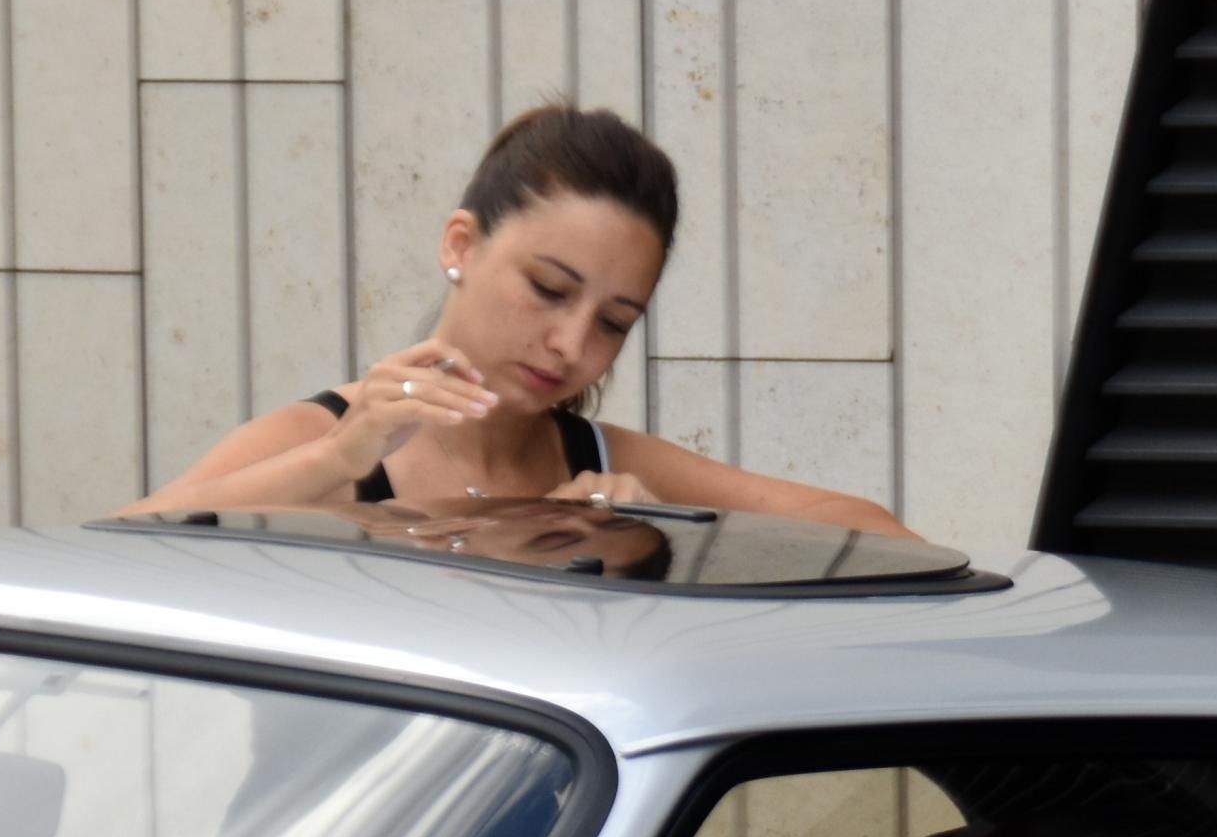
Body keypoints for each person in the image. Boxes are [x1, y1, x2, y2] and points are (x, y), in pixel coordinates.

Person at [136, 103, 919, 541]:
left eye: (614, 323)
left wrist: (666, 531)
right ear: (461, 245)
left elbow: (872, 531)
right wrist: (337, 459)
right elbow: (113, 553)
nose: (571, 345)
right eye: (548, 289)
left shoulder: (605, 463)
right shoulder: (327, 439)